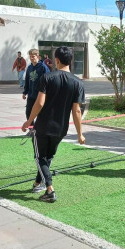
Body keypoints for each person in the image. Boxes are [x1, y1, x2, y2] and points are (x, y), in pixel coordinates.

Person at [22, 46, 86, 203]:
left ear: (56, 60)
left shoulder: (48, 78)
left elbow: (40, 103)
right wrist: (80, 133)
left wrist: (29, 122)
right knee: (47, 157)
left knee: (39, 157)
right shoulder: (78, 83)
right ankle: (38, 183)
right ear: (70, 60)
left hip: (42, 127)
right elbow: (77, 111)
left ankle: (49, 188)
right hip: (61, 128)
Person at [23, 49, 50, 124]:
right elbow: (27, 81)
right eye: (30, 56)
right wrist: (25, 92)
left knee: (41, 114)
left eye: (33, 56)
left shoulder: (43, 67)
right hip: (31, 95)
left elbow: (49, 81)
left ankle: (40, 130)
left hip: (40, 95)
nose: (31, 58)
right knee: (28, 112)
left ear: (38, 56)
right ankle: (32, 130)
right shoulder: (29, 68)